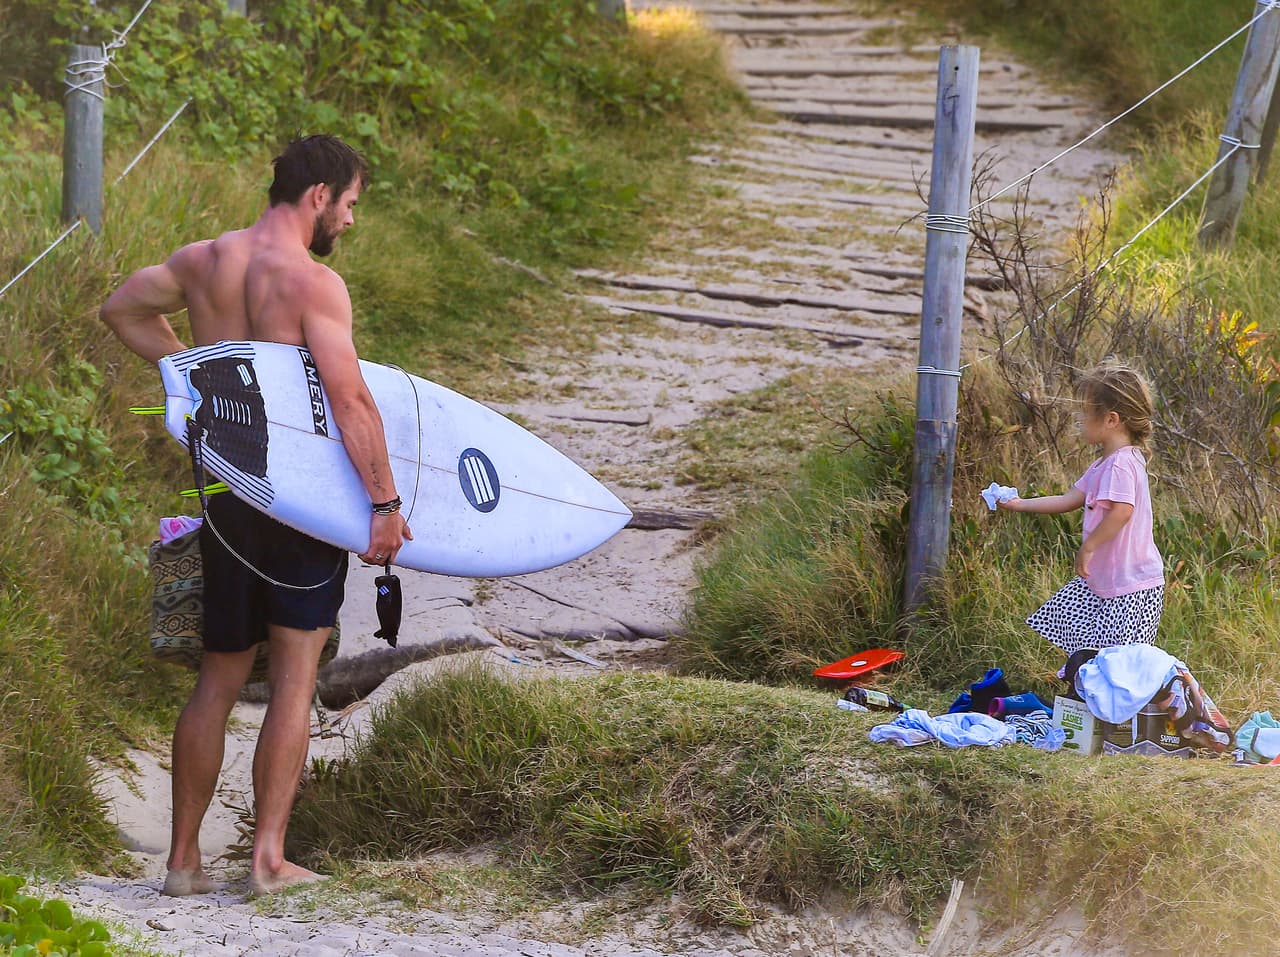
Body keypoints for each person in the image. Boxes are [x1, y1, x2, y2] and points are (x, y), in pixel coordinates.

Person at [100, 134, 412, 897]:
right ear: (318, 198)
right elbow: (349, 401)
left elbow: (121, 309)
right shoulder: (310, 284)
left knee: (218, 675)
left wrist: (191, 375)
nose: (350, 221)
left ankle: (182, 862)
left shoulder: (202, 260)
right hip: (299, 498)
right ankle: (268, 859)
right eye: (349, 206)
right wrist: (383, 503)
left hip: (228, 491)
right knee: (296, 677)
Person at [998, 363, 1164, 657]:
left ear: (1111, 419)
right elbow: (1068, 499)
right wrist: (1019, 504)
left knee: (1119, 661)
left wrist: (1089, 546)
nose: (1079, 421)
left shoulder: (1122, 463)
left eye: (1085, 414)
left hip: (1130, 586)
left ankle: (1109, 694)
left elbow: (1123, 511)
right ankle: (1081, 686)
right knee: (1078, 632)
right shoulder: (1103, 463)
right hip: (1107, 581)